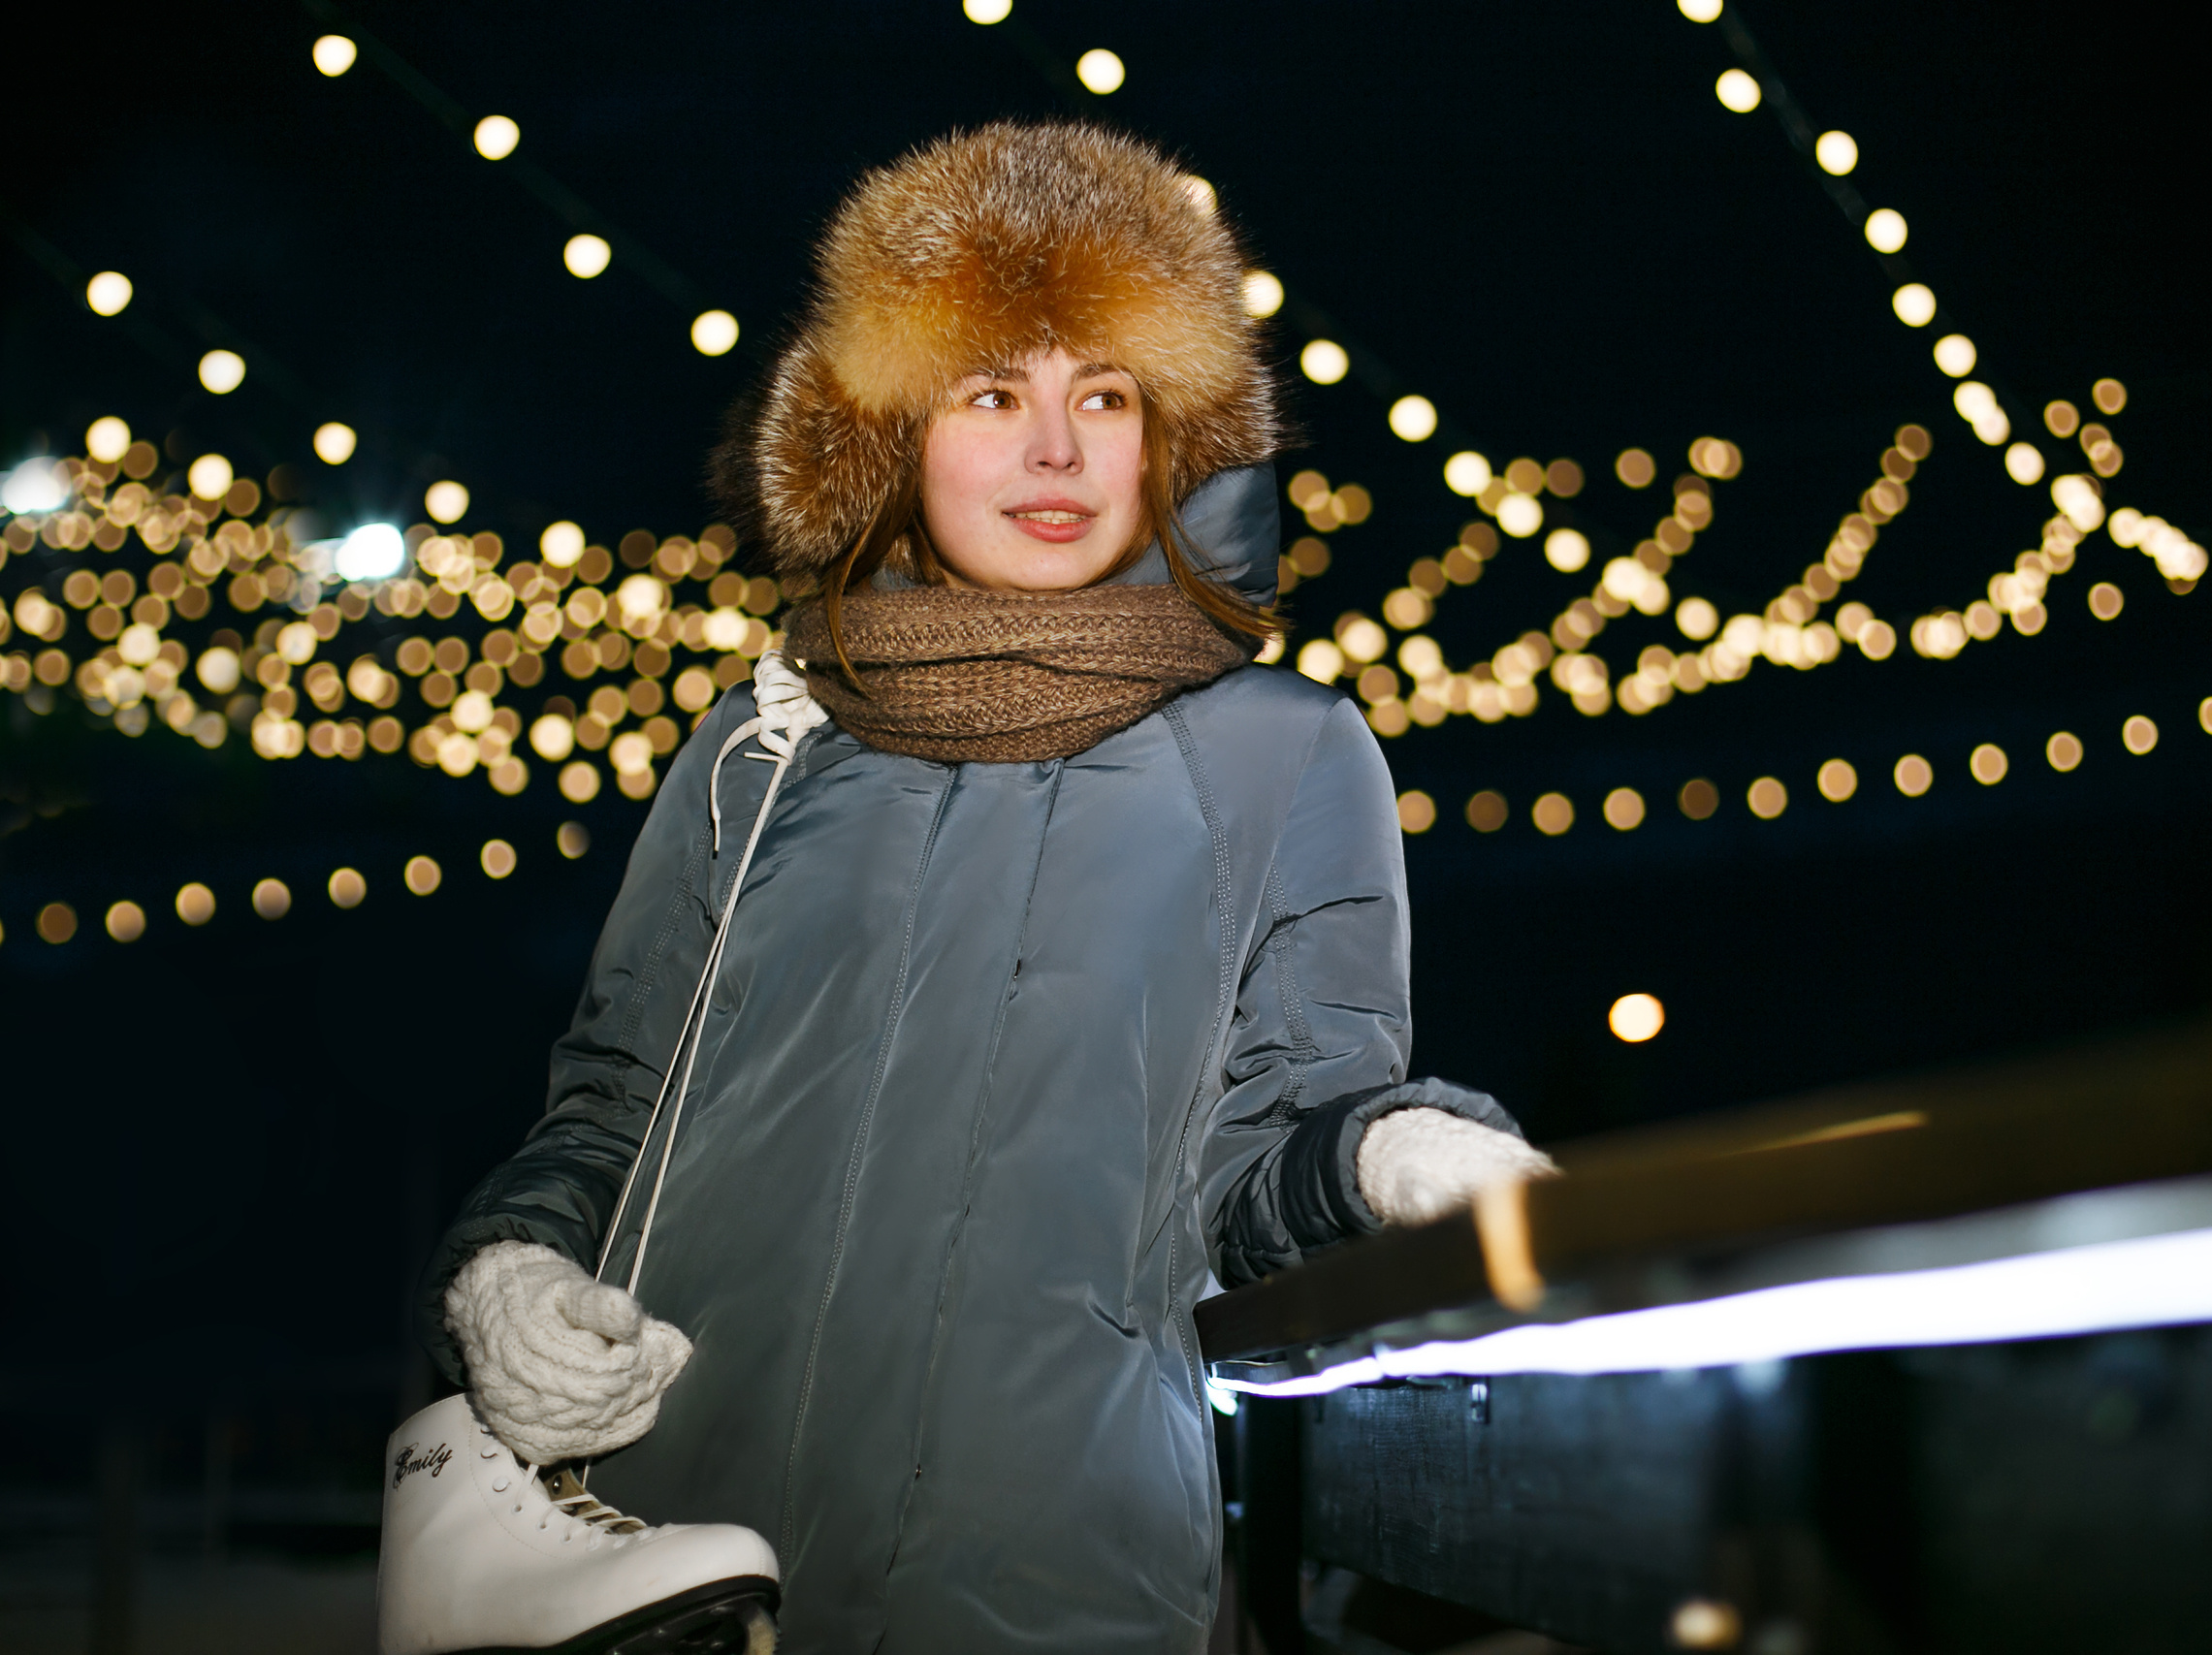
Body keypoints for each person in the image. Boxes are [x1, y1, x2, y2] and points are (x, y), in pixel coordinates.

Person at [416, 120, 1553, 1655]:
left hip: (1049, 1578)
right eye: (990, 393)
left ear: (1176, 438)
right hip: (664, 1555)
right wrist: (507, 1270)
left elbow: (1263, 1156)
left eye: (1106, 395)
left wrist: (1386, 1151)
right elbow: (616, 1101)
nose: (1058, 452)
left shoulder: (1286, 752)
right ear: (888, 434)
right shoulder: (761, 744)